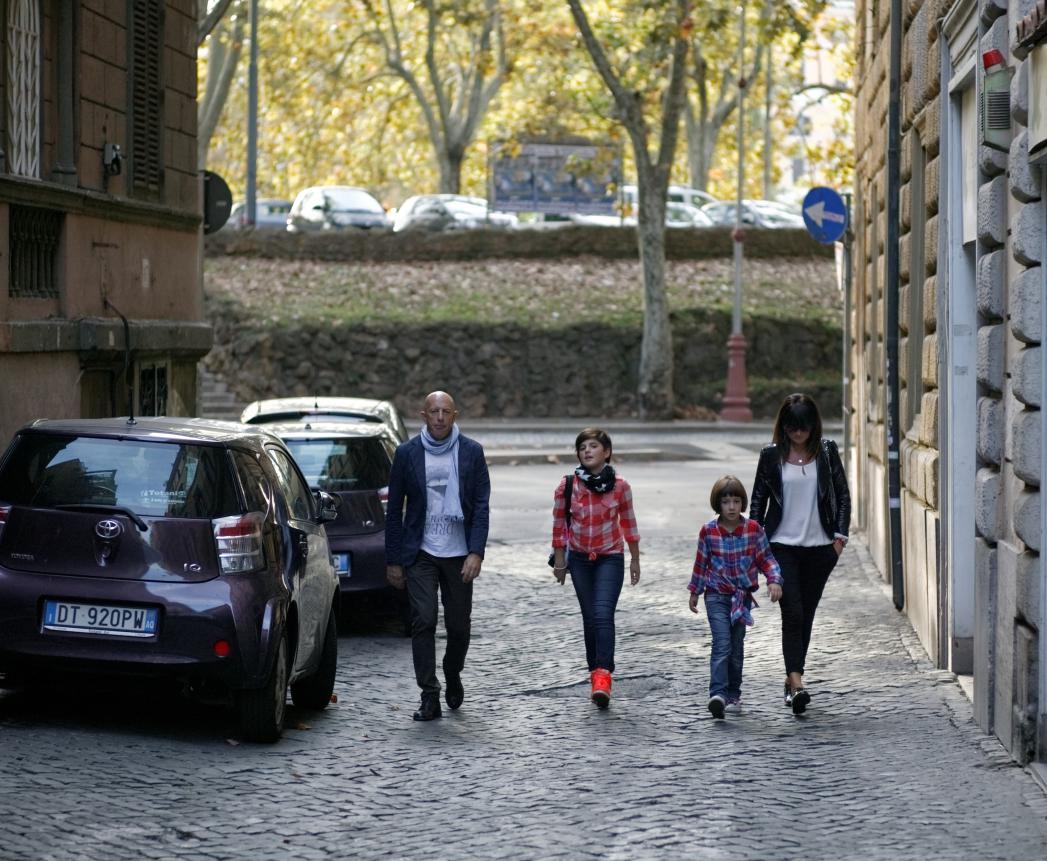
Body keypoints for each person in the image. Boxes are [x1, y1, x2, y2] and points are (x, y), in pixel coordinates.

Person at [385, 391, 491, 721]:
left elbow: (482, 507)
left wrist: (476, 552)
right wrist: (394, 559)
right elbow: (394, 511)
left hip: (460, 553)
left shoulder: (472, 452)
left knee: (459, 627)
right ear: (424, 415)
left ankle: (452, 671)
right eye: (434, 412)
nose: (440, 417)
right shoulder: (407, 453)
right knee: (424, 620)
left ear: (455, 415)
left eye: (446, 412)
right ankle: (429, 694)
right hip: (421, 551)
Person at [749, 393, 850, 715]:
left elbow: (843, 495)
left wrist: (839, 541)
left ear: (813, 426)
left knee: (805, 615)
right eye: (792, 427)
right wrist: (754, 545)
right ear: (784, 427)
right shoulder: (771, 456)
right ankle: (797, 681)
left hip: (821, 549)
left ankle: (791, 680)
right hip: (781, 547)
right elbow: (757, 502)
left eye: (803, 427)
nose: (798, 433)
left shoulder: (827, 452)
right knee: (791, 613)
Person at [550, 428, 640, 708]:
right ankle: (595, 674)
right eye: (582, 447)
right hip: (578, 559)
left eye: (593, 446)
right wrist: (560, 560)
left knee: (602, 614)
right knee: (590, 618)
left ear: (607, 452)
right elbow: (558, 526)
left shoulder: (621, 486)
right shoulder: (567, 486)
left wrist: (635, 559)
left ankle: (604, 675)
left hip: (610, 558)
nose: (587, 451)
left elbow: (629, 523)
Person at [687, 475, 782, 719]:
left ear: (743, 503)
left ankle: (733, 694)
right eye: (726, 502)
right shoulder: (708, 531)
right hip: (716, 595)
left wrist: (774, 581)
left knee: (736, 648)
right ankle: (717, 694)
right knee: (722, 643)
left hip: (742, 598)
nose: (731, 507)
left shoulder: (753, 530)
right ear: (717, 504)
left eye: (736, 502)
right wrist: (695, 592)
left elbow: (766, 559)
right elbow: (701, 563)